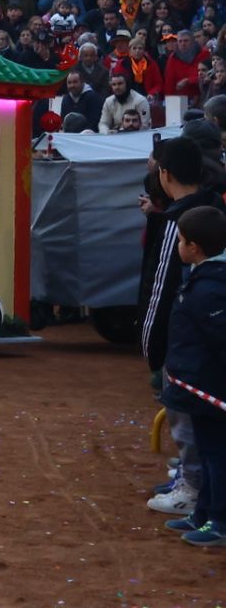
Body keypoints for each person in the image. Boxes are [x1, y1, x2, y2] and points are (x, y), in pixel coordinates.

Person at [142, 136, 221, 519]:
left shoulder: (179, 222)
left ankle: (192, 487)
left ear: (165, 173)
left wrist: (151, 347)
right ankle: (192, 481)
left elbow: (161, 289)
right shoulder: (210, 207)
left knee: (186, 419)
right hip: (204, 343)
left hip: (184, 344)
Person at [158, 204, 226, 546]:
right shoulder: (203, 281)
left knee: (217, 454)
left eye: (181, 240)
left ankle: (219, 521)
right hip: (199, 386)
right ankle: (203, 513)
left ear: (194, 247)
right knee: (208, 449)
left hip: (211, 388)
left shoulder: (211, 288)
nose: (178, 246)